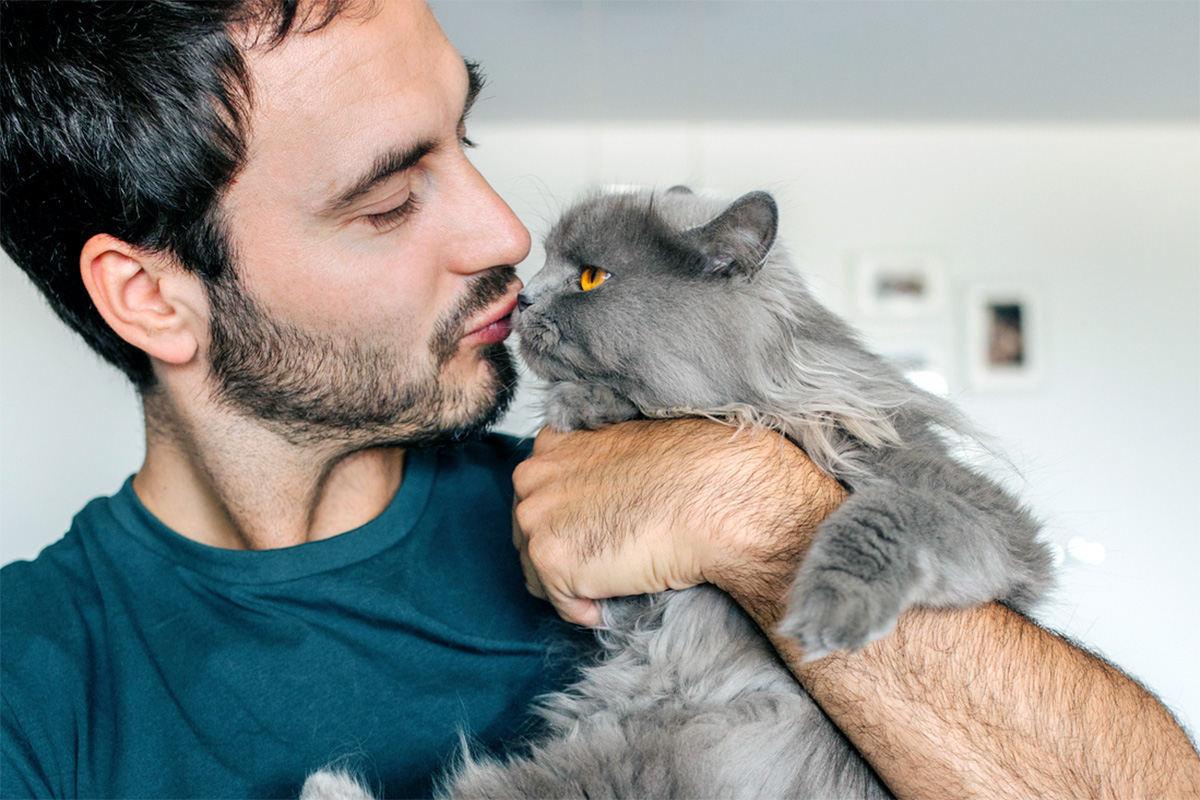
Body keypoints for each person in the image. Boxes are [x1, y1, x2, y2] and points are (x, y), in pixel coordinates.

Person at [1, 1, 1195, 798]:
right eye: (388, 199)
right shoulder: (33, 686)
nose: (503, 234)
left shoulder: (656, 476)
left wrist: (755, 513)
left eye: (464, 138)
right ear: (151, 297)